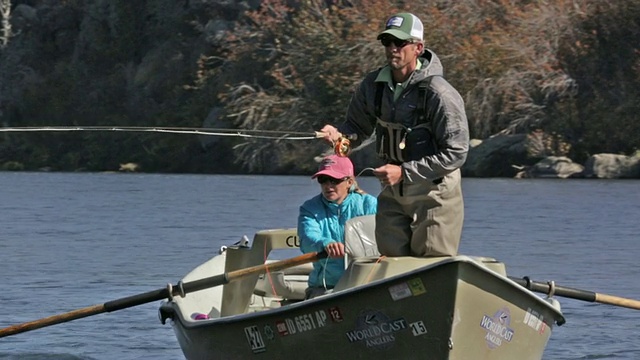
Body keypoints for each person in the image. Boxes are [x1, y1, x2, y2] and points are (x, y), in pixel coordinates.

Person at [319, 12, 469, 258]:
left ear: (418, 48)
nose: (392, 49)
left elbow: (457, 153)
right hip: (393, 193)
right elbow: (355, 130)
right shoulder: (372, 86)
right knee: (391, 265)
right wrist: (339, 138)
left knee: (429, 266)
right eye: (387, 43)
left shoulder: (440, 93)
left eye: (400, 43)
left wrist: (404, 172)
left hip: (434, 193)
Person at [298, 155, 377, 299]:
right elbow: (307, 240)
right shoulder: (309, 208)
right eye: (323, 180)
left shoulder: (370, 204)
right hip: (326, 287)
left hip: (367, 284)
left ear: (350, 182)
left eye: (334, 180)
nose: (328, 186)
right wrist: (325, 243)